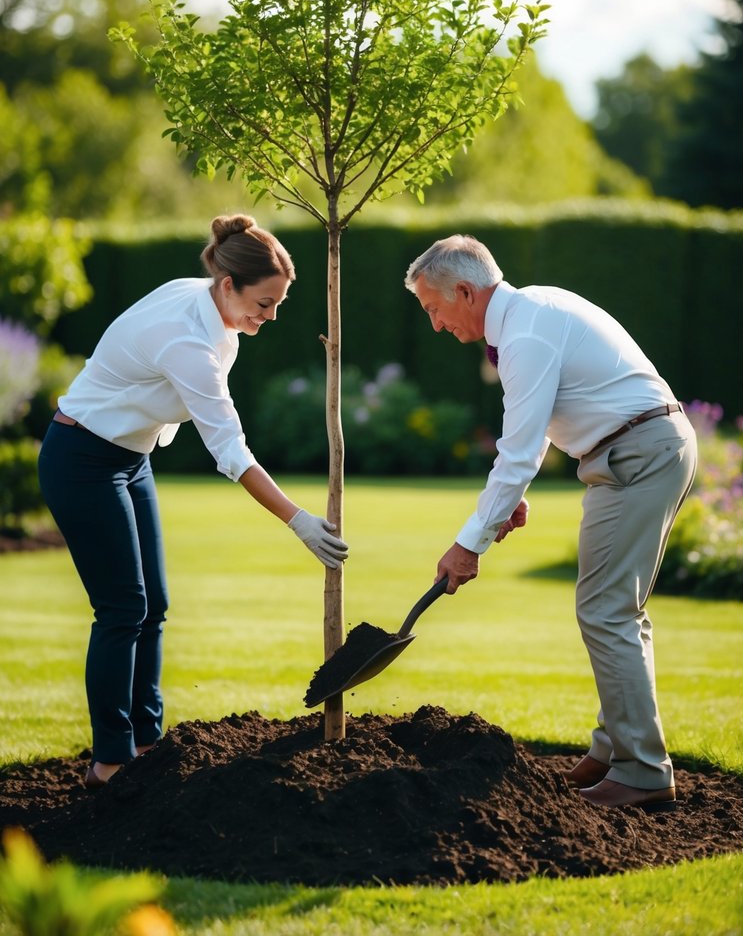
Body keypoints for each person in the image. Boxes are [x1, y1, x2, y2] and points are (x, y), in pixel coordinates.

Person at [39, 214, 347, 788]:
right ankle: (109, 761)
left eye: (279, 303)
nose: (271, 316)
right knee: (122, 609)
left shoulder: (207, 303)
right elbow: (229, 450)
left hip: (129, 458)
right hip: (80, 461)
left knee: (153, 604)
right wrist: (298, 520)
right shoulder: (187, 339)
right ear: (228, 284)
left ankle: (148, 741)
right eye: (264, 303)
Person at [405, 234, 697, 810]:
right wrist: (509, 500)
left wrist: (470, 544)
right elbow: (533, 437)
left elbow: (515, 453)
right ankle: (614, 748)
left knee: (608, 609)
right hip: (636, 453)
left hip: (638, 457)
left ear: (465, 291)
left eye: (434, 309)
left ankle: (641, 772)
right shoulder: (532, 313)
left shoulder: (527, 332)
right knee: (617, 610)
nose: (435, 324)